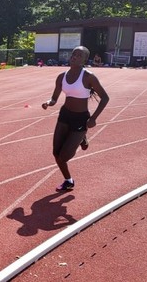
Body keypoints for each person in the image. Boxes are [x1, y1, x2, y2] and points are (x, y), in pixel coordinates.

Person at [41, 46, 109, 191]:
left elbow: (105, 98)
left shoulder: (88, 76)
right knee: (56, 153)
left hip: (80, 119)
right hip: (65, 115)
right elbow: (54, 98)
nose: (75, 57)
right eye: (73, 54)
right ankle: (68, 181)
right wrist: (49, 103)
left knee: (63, 157)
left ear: (85, 60)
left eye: (79, 55)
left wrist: (94, 119)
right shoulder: (61, 77)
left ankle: (82, 136)